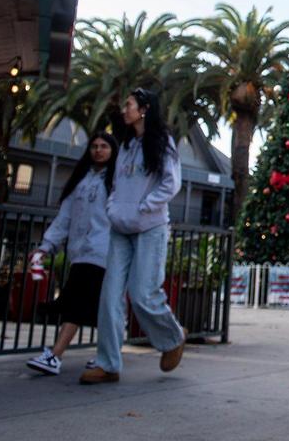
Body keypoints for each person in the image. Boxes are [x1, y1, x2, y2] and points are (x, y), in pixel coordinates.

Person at [81, 88, 185, 384]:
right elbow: (117, 183)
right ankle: (108, 364)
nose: (124, 108)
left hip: (150, 228)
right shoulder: (125, 144)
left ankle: (173, 337)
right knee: (110, 296)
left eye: (129, 104)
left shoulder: (162, 142)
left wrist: (144, 207)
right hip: (120, 229)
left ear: (144, 109)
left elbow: (171, 183)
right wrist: (114, 207)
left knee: (143, 293)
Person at [25, 132, 118, 376]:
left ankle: (55, 355)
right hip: (79, 252)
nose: (98, 150)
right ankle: (107, 357)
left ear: (113, 150)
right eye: (94, 146)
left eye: (104, 146)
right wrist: (46, 246)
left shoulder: (118, 180)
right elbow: (64, 218)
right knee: (102, 308)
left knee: (78, 302)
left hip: (103, 251)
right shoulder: (80, 181)